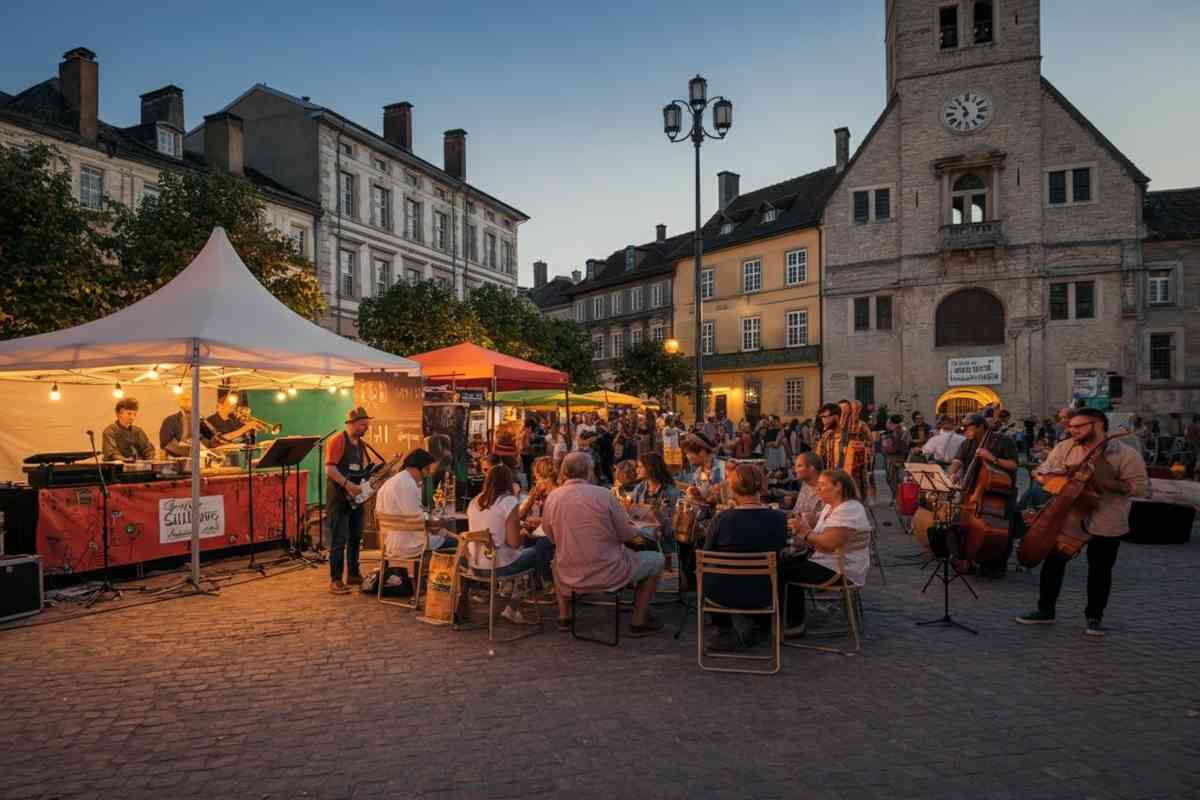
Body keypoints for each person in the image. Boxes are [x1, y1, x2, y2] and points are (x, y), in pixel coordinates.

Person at [1015, 408, 1148, 636]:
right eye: (1071, 426)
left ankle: (1094, 617)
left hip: (1107, 518)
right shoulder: (1066, 447)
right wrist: (1056, 479)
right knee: (1053, 563)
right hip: (1068, 516)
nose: (1071, 430)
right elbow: (1042, 472)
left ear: (1097, 425)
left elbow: (1139, 488)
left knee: (1100, 569)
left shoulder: (1126, 454)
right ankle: (1045, 610)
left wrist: (1110, 484)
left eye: (1078, 427)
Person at [541, 452, 665, 636]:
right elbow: (626, 534)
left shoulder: (553, 497)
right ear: (588, 471)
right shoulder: (603, 495)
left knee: (556, 560)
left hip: (570, 573)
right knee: (657, 560)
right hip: (609, 571)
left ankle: (564, 616)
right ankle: (639, 620)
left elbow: (550, 534)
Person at [702, 463, 789, 652]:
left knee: (707, 570)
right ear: (760, 486)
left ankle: (725, 631)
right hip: (764, 592)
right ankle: (762, 626)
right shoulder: (779, 518)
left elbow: (706, 553)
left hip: (721, 594)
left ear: (733, 489)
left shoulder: (722, 519)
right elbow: (780, 549)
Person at [784, 470, 872, 636]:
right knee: (785, 561)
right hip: (830, 563)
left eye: (823, 485)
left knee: (782, 571)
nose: (818, 489)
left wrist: (805, 533)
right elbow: (817, 524)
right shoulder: (832, 507)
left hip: (840, 571)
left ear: (838, 486)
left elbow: (828, 544)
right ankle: (785, 617)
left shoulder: (849, 510)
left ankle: (793, 623)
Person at [466, 463, 553, 625]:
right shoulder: (508, 501)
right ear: (509, 482)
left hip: (475, 567)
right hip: (498, 567)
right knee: (537, 551)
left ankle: (508, 590)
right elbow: (513, 543)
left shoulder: (473, 502)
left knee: (521, 554)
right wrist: (523, 533)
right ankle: (513, 607)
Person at [948, 412, 1019, 577]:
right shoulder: (967, 443)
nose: (964, 430)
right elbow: (957, 462)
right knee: (959, 525)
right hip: (973, 493)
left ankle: (996, 565)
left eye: (967, 427)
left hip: (1000, 493)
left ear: (980, 426)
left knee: (1002, 530)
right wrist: (951, 474)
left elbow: (1014, 465)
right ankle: (967, 558)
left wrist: (992, 458)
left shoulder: (1003, 441)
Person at [324, 407, 376, 594]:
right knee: (339, 540)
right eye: (363, 425)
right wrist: (348, 485)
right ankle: (335, 580)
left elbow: (360, 471)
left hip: (355, 497)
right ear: (351, 424)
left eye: (366, 425)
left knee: (355, 537)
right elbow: (329, 469)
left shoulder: (361, 445)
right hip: (339, 497)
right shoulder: (338, 440)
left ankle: (353, 573)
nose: (366, 428)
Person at [814, 400, 873, 500]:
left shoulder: (859, 427)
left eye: (846, 413)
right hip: (833, 483)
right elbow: (818, 459)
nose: (843, 416)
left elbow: (870, 444)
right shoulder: (827, 436)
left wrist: (864, 448)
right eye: (841, 413)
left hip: (853, 483)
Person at [629, 452, 682, 551]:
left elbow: (669, 526)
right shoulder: (640, 488)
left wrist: (653, 511)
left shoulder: (670, 491)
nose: (637, 470)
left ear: (650, 468)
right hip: (642, 531)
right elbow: (632, 511)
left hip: (663, 540)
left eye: (640, 467)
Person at [159, 391, 216, 457]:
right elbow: (165, 443)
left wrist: (203, 420)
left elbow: (210, 436)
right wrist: (188, 451)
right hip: (179, 456)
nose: (188, 403)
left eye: (190, 400)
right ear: (179, 402)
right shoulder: (170, 420)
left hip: (199, 455)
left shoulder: (198, 419)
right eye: (184, 400)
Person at [101, 397, 156, 461]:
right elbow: (111, 453)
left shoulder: (138, 431)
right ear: (120, 413)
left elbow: (148, 449)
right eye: (129, 414)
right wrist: (126, 460)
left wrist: (150, 459)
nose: (132, 417)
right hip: (117, 468)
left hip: (139, 466)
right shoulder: (110, 431)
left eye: (134, 414)